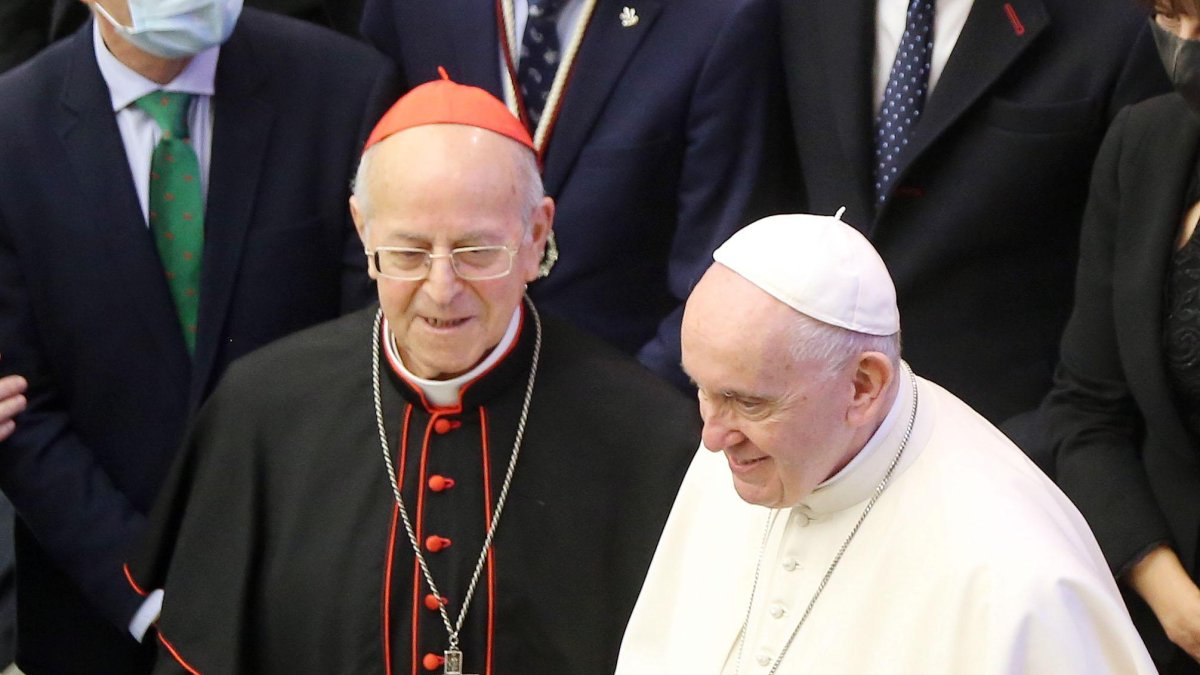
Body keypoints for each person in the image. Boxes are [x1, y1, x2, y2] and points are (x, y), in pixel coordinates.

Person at [126, 73, 699, 674]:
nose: (442, 289)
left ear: (535, 236)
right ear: (363, 230)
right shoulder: (261, 409)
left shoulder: (647, 433)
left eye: (477, 251)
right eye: (407, 252)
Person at [0, 0, 400, 672]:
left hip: (313, 600)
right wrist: (146, 597)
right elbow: (19, 406)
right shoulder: (13, 132)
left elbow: (372, 351)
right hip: (98, 617)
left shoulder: (344, 89)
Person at [616, 213, 1155, 674]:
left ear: (863, 386)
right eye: (702, 390)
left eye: (749, 403)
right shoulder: (745, 442)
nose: (712, 439)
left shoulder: (1015, 579)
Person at [779, 0, 1170, 439]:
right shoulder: (796, 12)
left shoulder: (1126, 21)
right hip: (806, 419)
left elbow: (1129, 282)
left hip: (1011, 439)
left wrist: (1047, 442)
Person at [357, 0, 785, 388]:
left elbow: (718, 266)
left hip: (627, 400)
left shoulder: (717, 17)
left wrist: (631, 407)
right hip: (424, 390)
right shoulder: (410, 10)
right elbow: (378, 199)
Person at [1043, 2, 1200, 672]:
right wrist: (1172, 597)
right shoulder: (1146, 144)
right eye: (1169, 16)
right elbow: (1087, 410)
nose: (1184, 46)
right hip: (1157, 628)